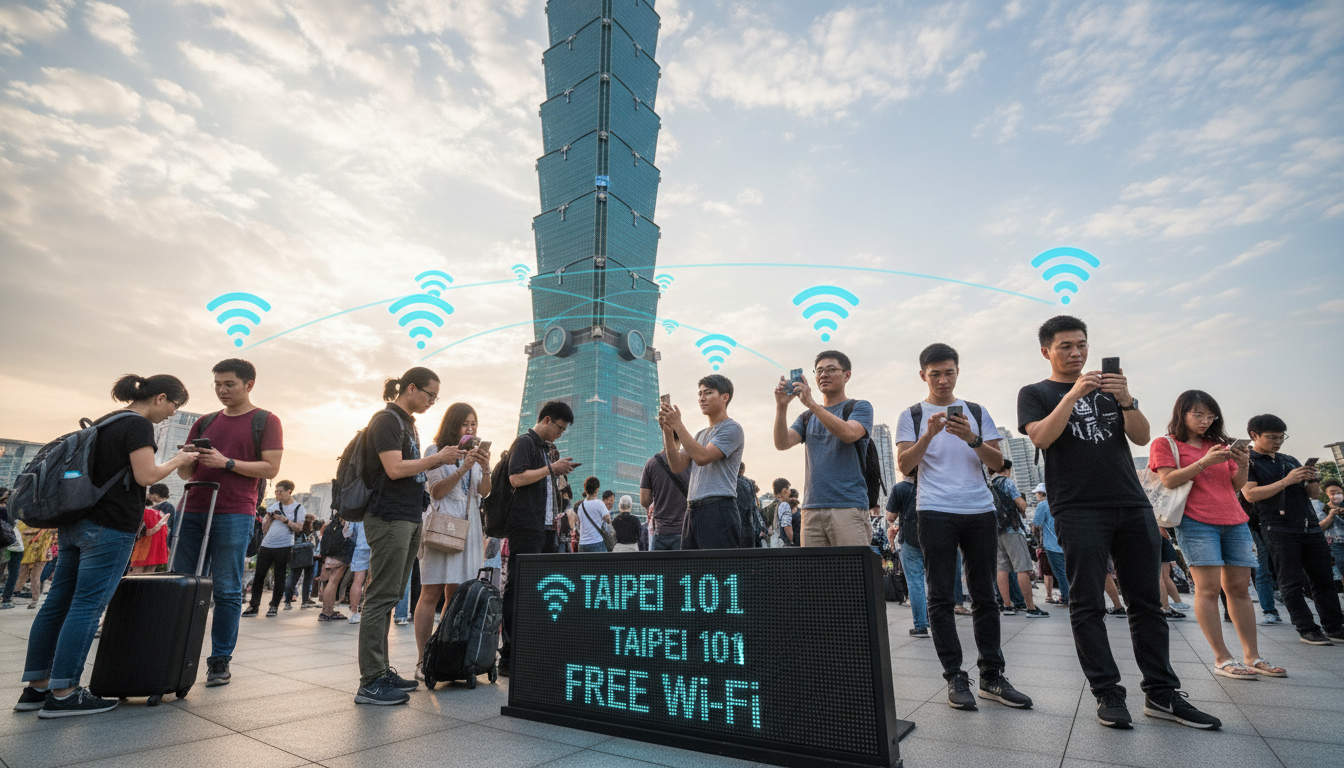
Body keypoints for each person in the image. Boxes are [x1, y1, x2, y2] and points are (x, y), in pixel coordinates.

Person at [1018, 315, 1220, 730]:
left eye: (1081, 345)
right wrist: (1072, 396)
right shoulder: (1035, 392)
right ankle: (1108, 692)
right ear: (1046, 351)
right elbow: (1040, 437)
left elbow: (1142, 437)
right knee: (1087, 602)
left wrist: (1127, 399)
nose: (1076, 353)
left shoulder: (1114, 390)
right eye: (1065, 347)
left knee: (1147, 601)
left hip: (1131, 503)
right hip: (1077, 508)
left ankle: (1162, 693)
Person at [16, 374, 196, 717]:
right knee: (87, 606)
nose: (172, 413)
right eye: (174, 405)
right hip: (110, 527)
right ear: (160, 398)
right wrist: (179, 460)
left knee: (57, 603)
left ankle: (35, 688)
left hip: (75, 522)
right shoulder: (138, 425)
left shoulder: (103, 422)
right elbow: (145, 476)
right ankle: (65, 692)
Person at [897, 343, 1031, 711]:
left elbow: (997, 462)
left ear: (958, 372)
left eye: (949, 372)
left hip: (979, 509)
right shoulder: (911, 414)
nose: (942, 380)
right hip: (935, 509)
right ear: (923, 375)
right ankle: (955, 675)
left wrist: (969, 437)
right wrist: (928, 435)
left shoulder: (975, 411)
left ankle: (991, 674)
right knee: (941, 595)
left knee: (984, 594)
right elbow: (905, 466)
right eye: (935, 373)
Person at [1150, 391, 1285, 679]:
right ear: (1182, 413)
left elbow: (1236, 485)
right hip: (1195, 522)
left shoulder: (1219, 444)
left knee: (1239, 589)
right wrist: (1204, 463)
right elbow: (1168, 478)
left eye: (1210, 416)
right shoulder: (1166, 443)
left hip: (1235, 519)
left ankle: (1252, 655)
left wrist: (1244, 462)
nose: (1204, 421)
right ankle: (1222, 658)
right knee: (1208, 589)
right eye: (1197, 414)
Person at [174, 359, 283, 688]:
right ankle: (174, 653)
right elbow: (184, 474)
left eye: (230, 384)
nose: (222, 390)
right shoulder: (205, 421)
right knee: (181, 585)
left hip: (234, 511)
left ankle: (219, 660)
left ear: (249, 384)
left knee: (227, 589)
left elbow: (270, 468)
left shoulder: (266, 420)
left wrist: (227, 462)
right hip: (191, 508)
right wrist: (187, 458)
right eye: (218, 384)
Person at [354, 368, 454, 705]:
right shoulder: (386, 420)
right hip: (389, 517)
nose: (431, 402)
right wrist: (436, 459)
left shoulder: (408, 423)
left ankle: (381, 670)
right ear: (411, 388)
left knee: (393, 593)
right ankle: (370, 681)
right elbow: (394, 468)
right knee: (381, 597)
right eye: (429, 395)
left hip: (409, 516)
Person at [1242, 414, 1344, 645]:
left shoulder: (1289, 459)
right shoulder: (1248, 461)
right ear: (1254, 435)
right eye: (1272, 437)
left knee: (1323, 578)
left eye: (1281, 437)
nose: (1278, 442)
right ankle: (1306, 628)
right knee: (1290, 580)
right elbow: (1250, 494)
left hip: (1309, 524)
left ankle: (1334, 625)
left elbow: (1314, 495)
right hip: (1277, 526)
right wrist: (1287, 481)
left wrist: (1311, 478)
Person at [414, 402, 490, 679]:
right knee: (430, 592)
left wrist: (486, 466)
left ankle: (443, 653)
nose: (470, 429)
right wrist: (461, 467)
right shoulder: (436, 452)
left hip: (469, 525)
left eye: (474, 425)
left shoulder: (476, 455)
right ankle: (422, 659)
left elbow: (485, 492)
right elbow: (436, 491)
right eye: (465, 424)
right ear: (453, 425)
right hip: (443, 524)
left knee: (456, 595)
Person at [501, 401, 576, 676]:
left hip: (545, 527)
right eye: (560, 427)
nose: (560, 433)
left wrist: (556, 471)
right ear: (546, 420)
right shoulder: (525, 442)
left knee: (538, 589)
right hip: (525, 525)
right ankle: (508, 654)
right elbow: (516, 478)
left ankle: (530, 646)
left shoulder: (545, 449)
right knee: (517, 587)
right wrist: (550, 469)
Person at [773, 351, 874, 547]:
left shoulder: (859, 407)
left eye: (831, 370)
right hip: (811, 509)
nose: (823, 375)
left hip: (848, 507)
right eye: (819, 371)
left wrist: (811, 403)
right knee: (815, 576)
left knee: (852, 574)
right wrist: (781, 407)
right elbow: (782, 443)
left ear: (847, 375)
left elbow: (849, 433)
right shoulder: (807, 417)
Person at [660, 375, 745, 550]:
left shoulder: (732, 428)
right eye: (700, 394)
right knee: (692, 570)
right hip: (692, 511)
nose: (702, 398)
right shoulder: (700, 435)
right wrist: (668, 432)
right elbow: (677, 465)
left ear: (724, 397)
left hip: (718, 508)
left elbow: (703, 457)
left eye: (708, 392)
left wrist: (678, 425)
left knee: (720, 570)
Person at [990, 462, 1047, 617]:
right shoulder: (1007, 482)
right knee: (1022, 567)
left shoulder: (989, 484)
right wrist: (1023, 504)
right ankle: (1030, 608)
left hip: (996, 532)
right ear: (1008, 469)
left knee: (1001, 569)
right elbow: (1021, 505)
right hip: (1012, 530)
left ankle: (1007, 606)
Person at [245, 480, 304, 618]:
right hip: (266, 545)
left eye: (280, 491)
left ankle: (274, 606)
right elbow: (264, 530)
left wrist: (285, 520)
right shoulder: (272, 507)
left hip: (284, 546)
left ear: (289, 491)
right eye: (276, 491)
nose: (277, 494)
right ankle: (254, 606)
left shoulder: (298, 508)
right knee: (259, 576)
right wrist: (270, 520)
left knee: (280, 577)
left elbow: (299, 528)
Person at [886, 476, 927, 638]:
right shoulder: (930, 482)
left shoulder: (900, 488)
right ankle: (938, 621)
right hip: (934, 537)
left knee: (915, 581)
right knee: (932, 580)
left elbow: (890, 517)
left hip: (910, 539)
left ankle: (921, 626)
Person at [640, 445, 691, 552]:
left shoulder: (651, 463)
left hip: (660, 531)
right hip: (684, 531)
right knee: (683, 568)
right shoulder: (689, 461)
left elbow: (644, 500)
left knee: (658, 568)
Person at [1032, 484, 1069, 606]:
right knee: (1069, 571)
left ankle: (1066, 597)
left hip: (1052, 544)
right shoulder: (1060, 501)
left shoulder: (1042, 505)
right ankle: (1072, 595)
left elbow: (1037, 522)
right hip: (1066, 543)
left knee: (1060, 572)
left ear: (1040, 494)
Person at [13, 522, 56, 609]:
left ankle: (29, 598)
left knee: (31, 575)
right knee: (31, 575)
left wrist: (36, 537)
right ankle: (31, 598)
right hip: (33, 549)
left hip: (36, 549)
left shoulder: (25, 520)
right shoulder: (43, 520)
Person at [572, 477, 612, 553]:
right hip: (596, 542)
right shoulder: (599, 503)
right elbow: (608, 520)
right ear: (597, 489)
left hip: (582, 544)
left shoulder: (581, 506)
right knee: (601, 564)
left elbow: (579, 523)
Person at [1315, 480, 1344, 585]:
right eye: (1331, 493)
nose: (1335, 495)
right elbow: (1319, 528)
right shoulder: (1321, 507)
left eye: (1338, 492)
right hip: (1335, 545)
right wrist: (1331, 516)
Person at [128, 505, 170, 574]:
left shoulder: (150, 512)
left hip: (149, 546)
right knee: (144, 572)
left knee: (138, 573)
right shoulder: (158, 512)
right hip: (149, 546)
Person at [345, 519, 369, 623]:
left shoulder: (358, 510)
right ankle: (369, 610)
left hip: (360, 546)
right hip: (376, 546)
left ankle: (354, 613)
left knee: (358, 580)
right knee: (375, 579)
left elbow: (348, 533)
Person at [771, 479, 798, 547]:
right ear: (784, 490)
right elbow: (787, 526)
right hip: (785, 545)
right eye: (788, 490)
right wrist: (793, 542)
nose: (789, 493)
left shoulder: (773, 505)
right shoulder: (784, 505)